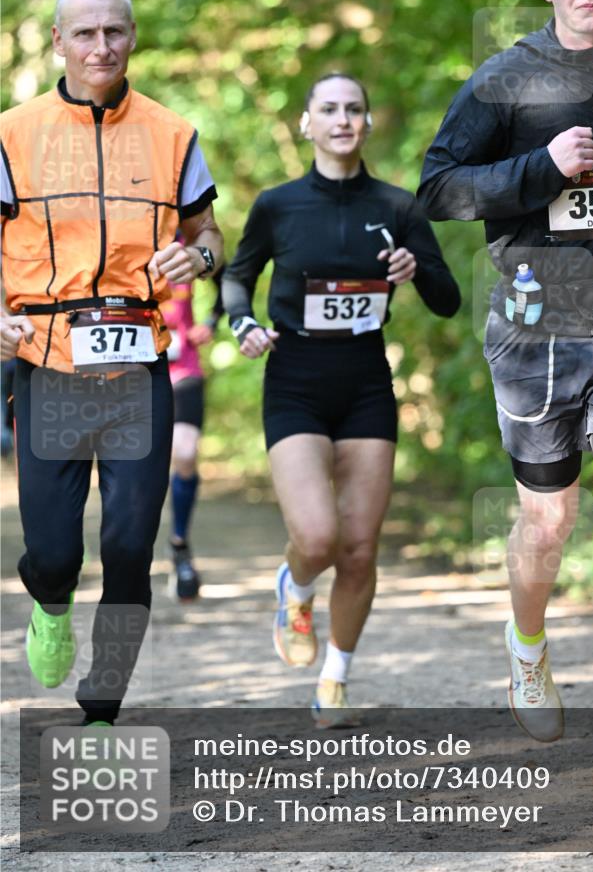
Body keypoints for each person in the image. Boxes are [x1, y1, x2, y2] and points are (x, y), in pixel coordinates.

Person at [418, 0, 593, 794]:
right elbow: (437, 187)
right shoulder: (504, 79)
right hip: (537, 318)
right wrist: (539, 169)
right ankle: (527, 648)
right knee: (546, 524)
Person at [0, 0, 224, 726]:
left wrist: (200, 260)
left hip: (138, 362)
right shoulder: (12, 132)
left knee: (130, 543)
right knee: (56, 554)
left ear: (133, 38)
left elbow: (208, 235)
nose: (103, 46)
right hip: (50, 361)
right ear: (59, 41)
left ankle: (103, 706)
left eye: (116, 32)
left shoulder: (171, 133)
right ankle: (51, 602)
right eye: (86, 33)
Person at [224, 73, 460, 726]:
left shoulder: (397, 207)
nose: (341, 119)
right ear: (306, 123)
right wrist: (242, 324)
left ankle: (334, 677)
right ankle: (294, 588)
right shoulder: (277, 205)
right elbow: (238, 276)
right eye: (327, 109)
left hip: (364, 382)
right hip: (294, 378)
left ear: (367, 122)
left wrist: (419, 271)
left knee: (359, 548)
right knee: (319, 536)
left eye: (353, 108)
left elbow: (447, 301)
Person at [162, 262, 223, 600]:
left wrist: (212, 321)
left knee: (185, 452)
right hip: (130, 369)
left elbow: (231, 276)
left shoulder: (187, 239)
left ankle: (180, 546)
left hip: (183, 368)